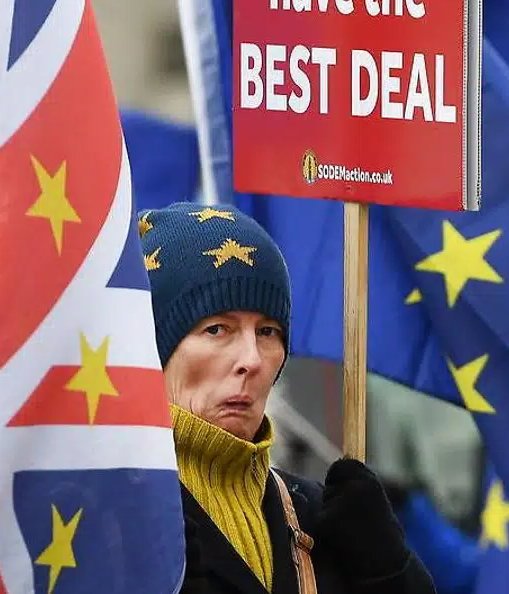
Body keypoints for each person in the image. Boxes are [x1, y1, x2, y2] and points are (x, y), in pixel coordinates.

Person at [140, 201, 437, 594]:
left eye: (267, 332)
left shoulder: (318, 517)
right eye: (217, 329)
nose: (252, 360)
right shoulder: (105, 514)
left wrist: (390, 576)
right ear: (152, 346)